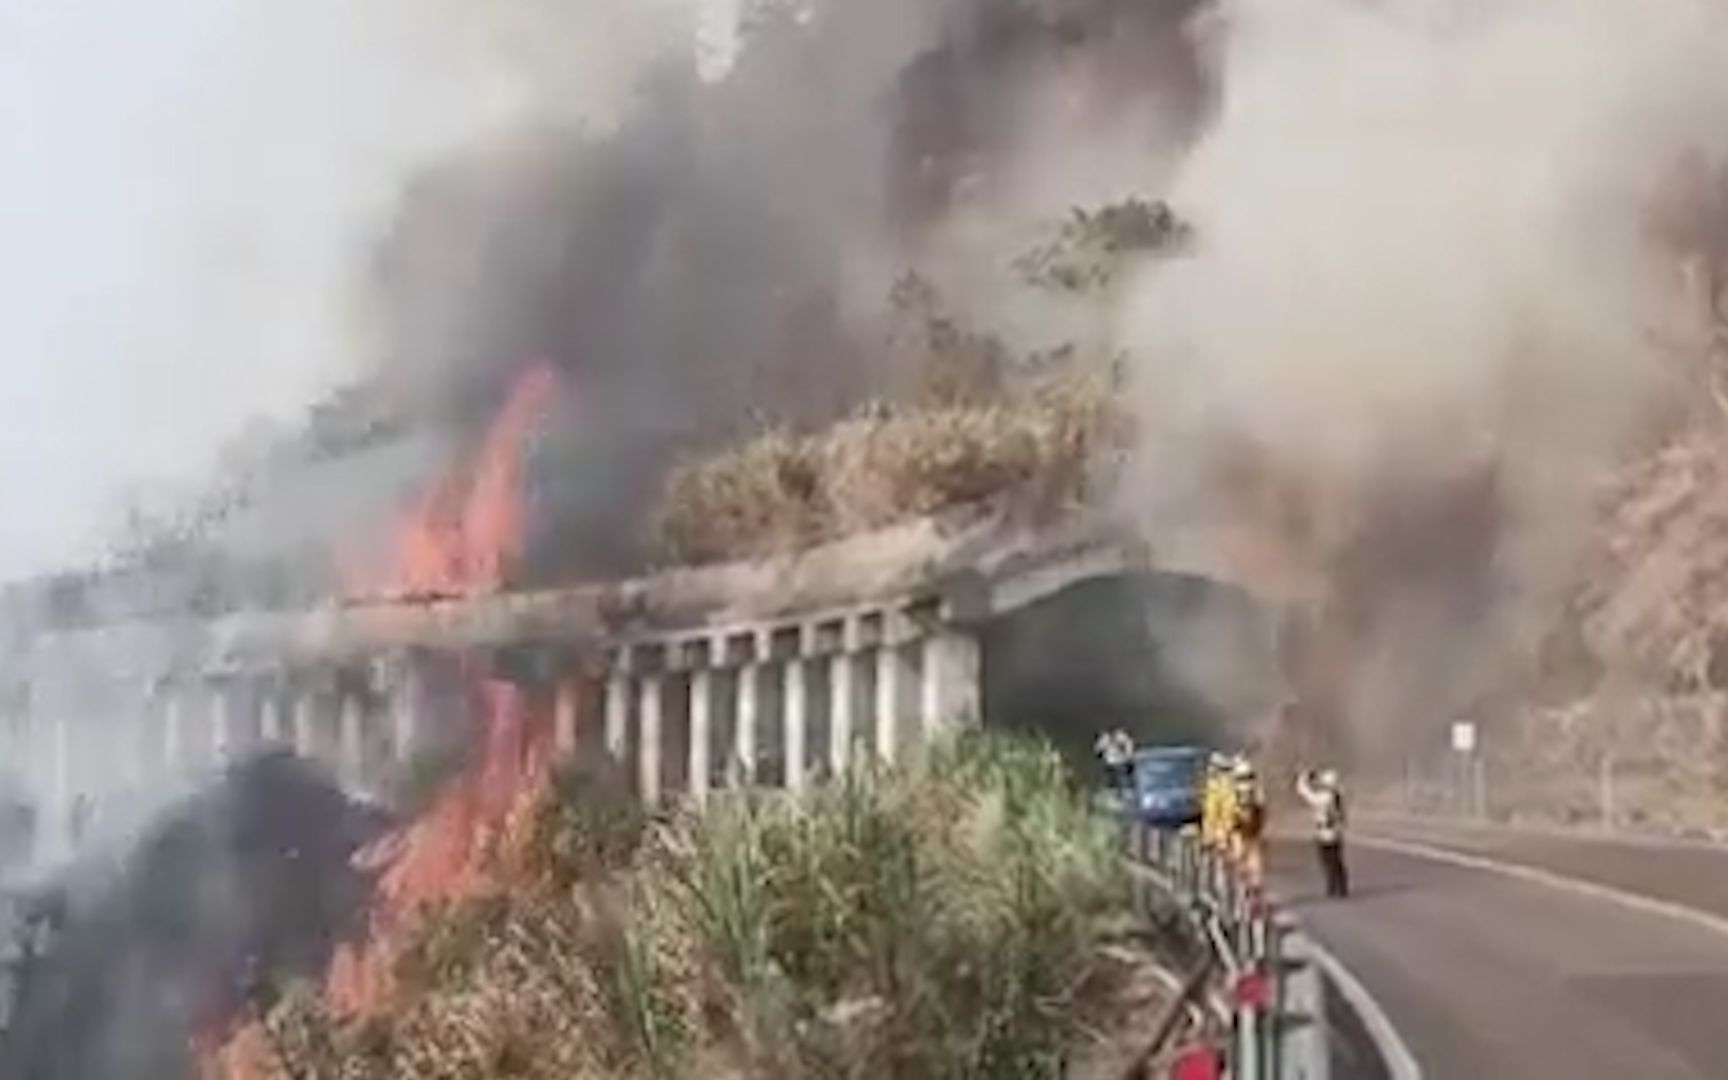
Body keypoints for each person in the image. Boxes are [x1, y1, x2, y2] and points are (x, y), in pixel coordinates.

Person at [1297, 768, 1350, 898]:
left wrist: (1303, 779)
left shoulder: (1325, 798)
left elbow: (1307, 795)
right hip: (1336, 833)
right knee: (1336, 860)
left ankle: (1334, 887)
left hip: (1326, 833)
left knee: (1329, 861)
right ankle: (1340, 886)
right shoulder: (1338, 796)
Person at [1229, 758, 1267, 891]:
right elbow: (1262, 809)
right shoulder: (1256, 789)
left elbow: (1261, 809)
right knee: (1250, 857)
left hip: (1242, 827)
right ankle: (1252, 883)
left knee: (1243, 857)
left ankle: (1248, 884)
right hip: (1247, 827)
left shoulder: (1235, 789)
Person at [1095, 728, 1135, 795]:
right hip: (1113, 763)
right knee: (1114, 778)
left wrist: (1127, 756)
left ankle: (1125, 787)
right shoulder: (1103, 741)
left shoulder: (1121, 738)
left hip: (1122, 762)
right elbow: (1098, 752)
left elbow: (1129, 747)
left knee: (1124, 777)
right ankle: (1115, 788)